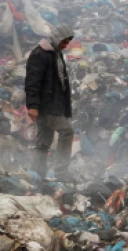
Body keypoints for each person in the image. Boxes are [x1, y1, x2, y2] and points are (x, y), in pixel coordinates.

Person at [25, 23, 75, 183]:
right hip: (46, 106)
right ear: (56, 38)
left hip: (53, 105)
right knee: (66, 132)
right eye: (64, 42)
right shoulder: (40, 54)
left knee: (43, 143)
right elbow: (32, 81)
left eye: (68, 42)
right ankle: (61, 171)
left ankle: (36, 176)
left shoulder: (56, 54)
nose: (66, 45)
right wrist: (33, 105)